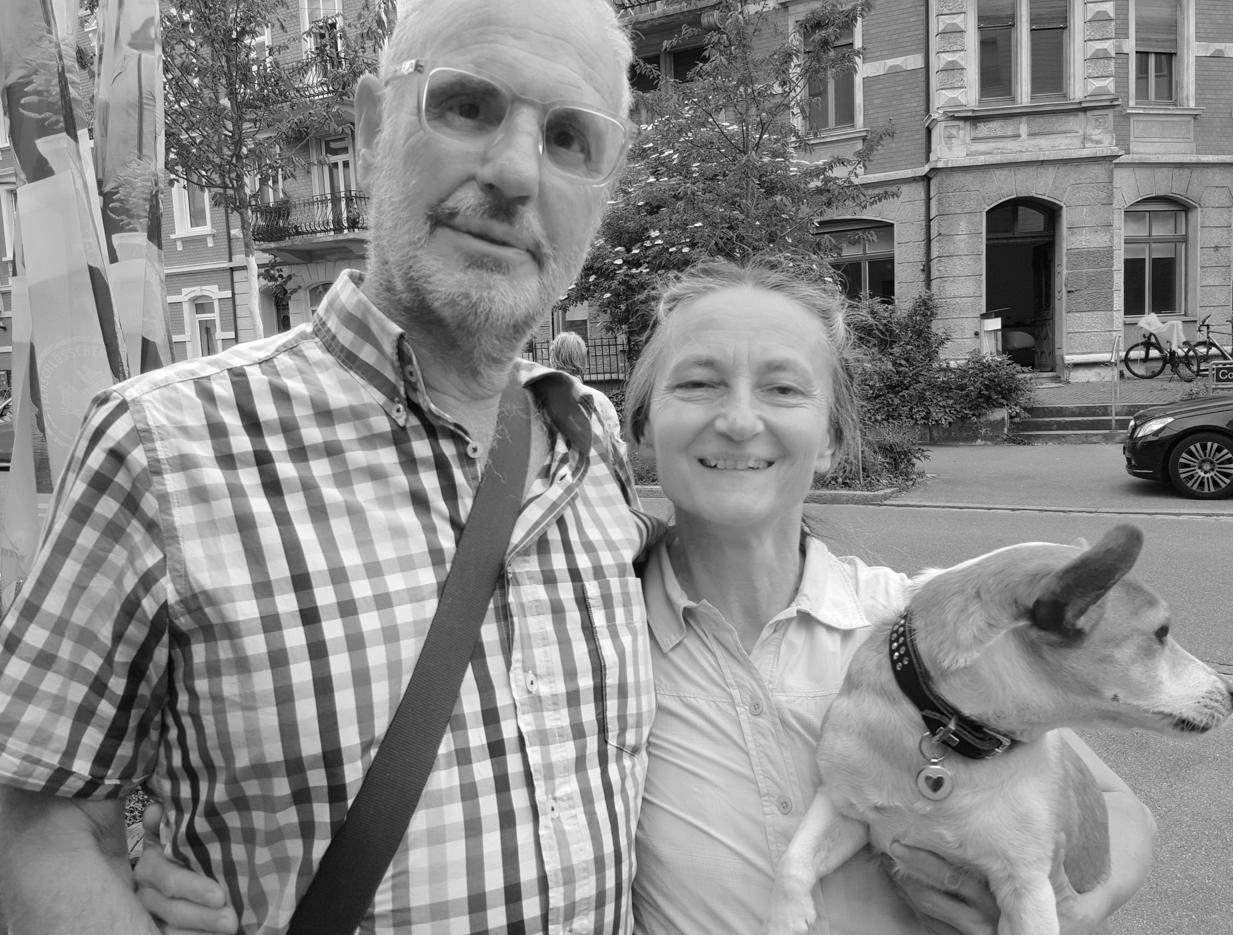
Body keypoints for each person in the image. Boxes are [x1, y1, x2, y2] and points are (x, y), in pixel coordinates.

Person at [137, 261, 1156, 935]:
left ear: (834, 434)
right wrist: (179, 864)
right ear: (640, 421)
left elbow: (1114, 805)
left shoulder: (921, 630)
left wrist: (1067, 901)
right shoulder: (574, 627)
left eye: (784, 388)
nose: (739, 420)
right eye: (697, 383)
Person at [0, 1, 663, 933]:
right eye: (468, 106)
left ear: (604, 186)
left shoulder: (592, 442)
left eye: (567, 138)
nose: (517, 172)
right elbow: (35, 812)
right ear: (371, 125)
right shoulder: (162, 445)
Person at [549, 329, 624, 450]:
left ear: (553, 361)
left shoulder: (540, 402)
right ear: (584, 362)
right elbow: (616, 449)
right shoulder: (600, 401)